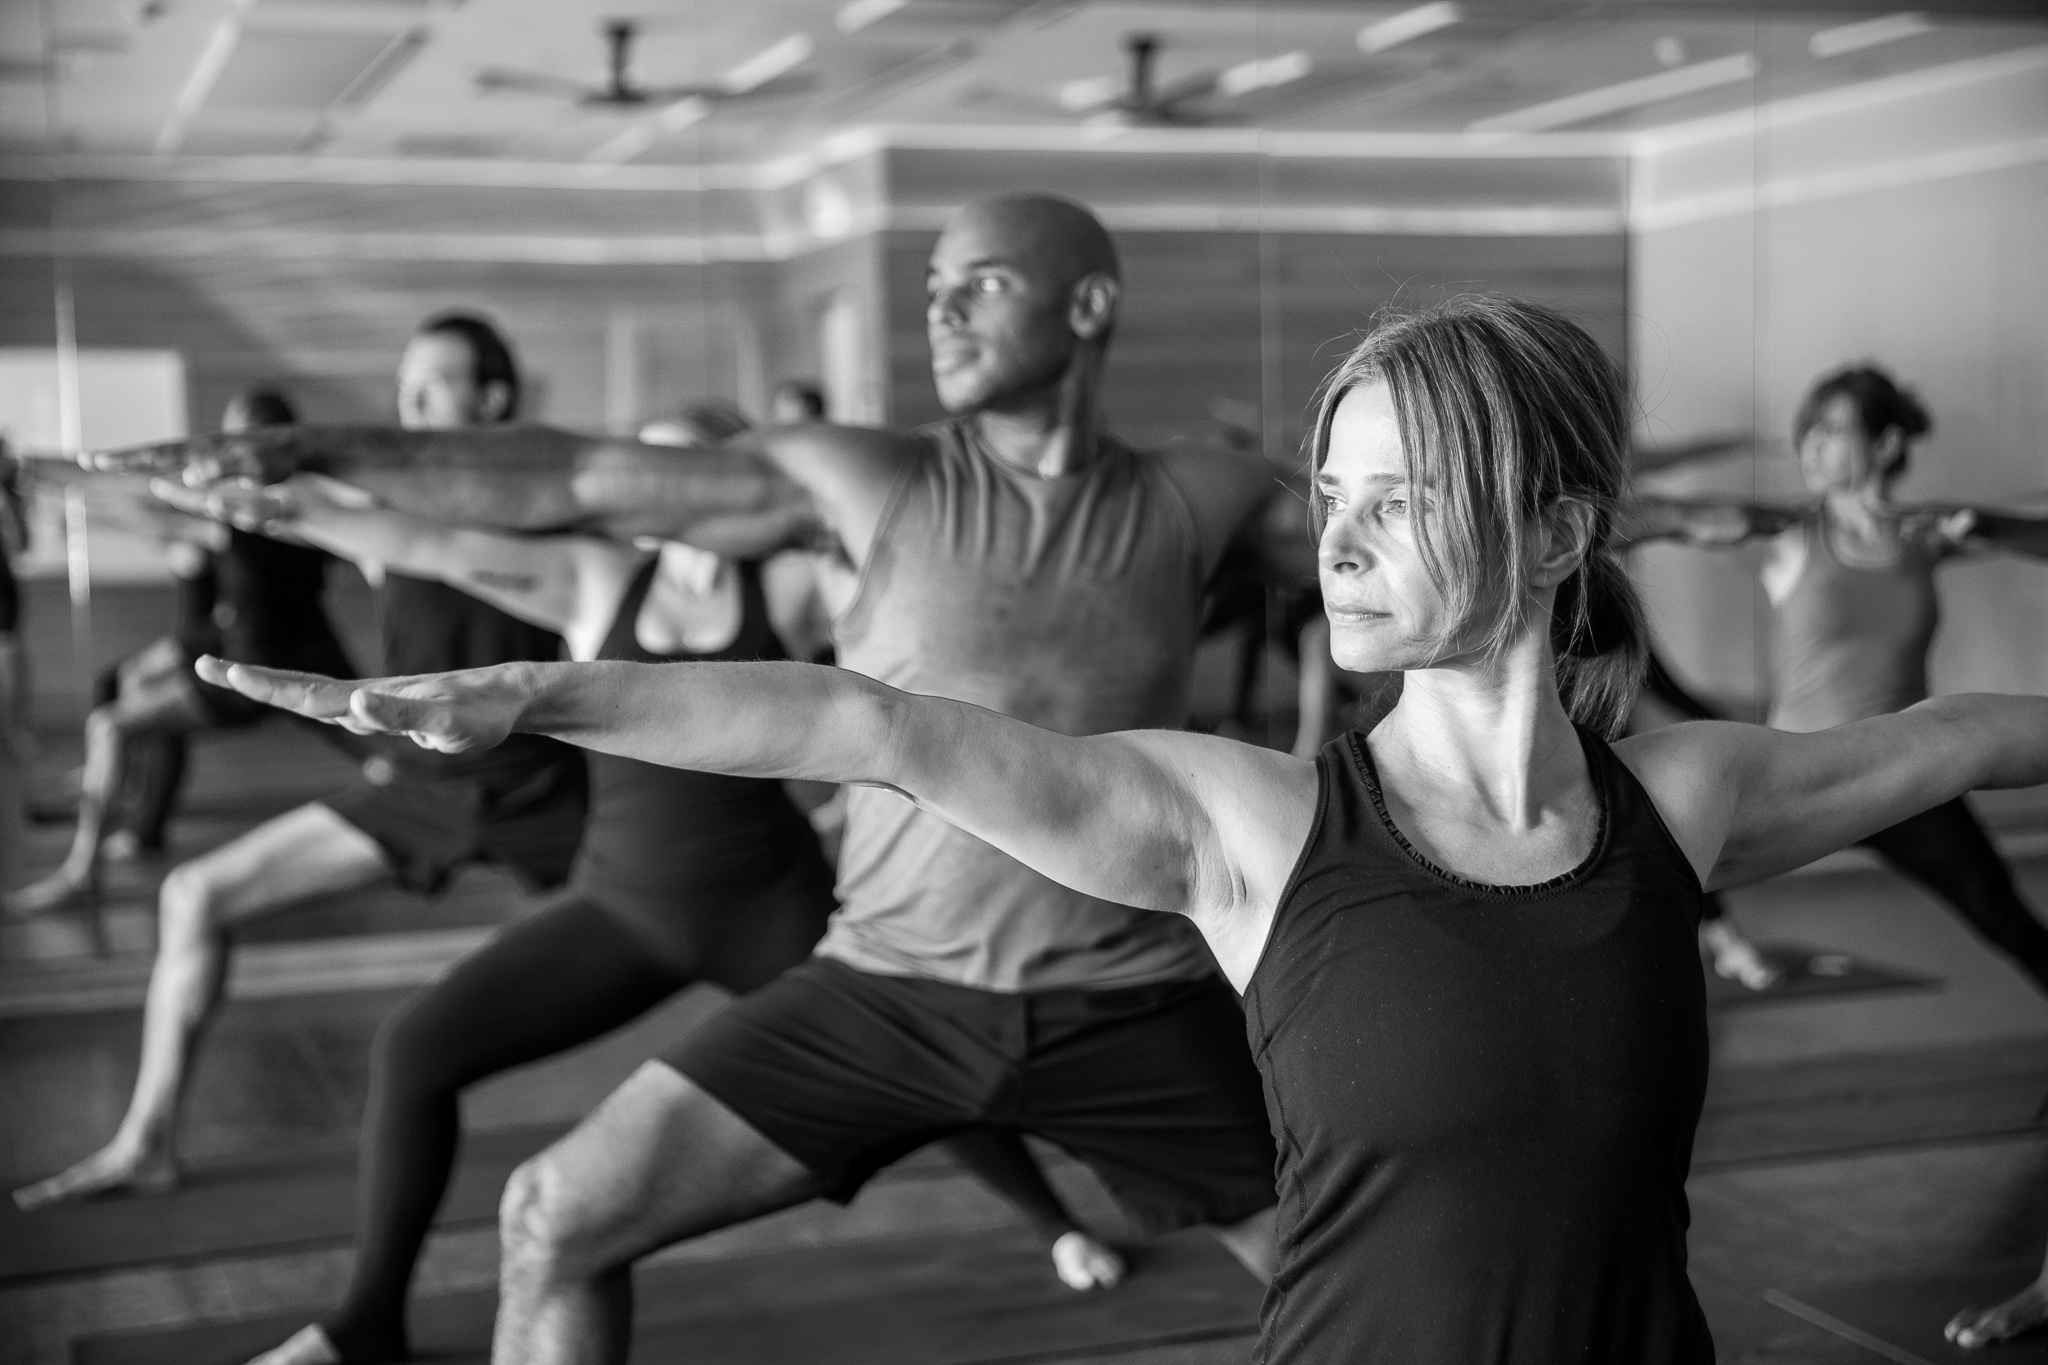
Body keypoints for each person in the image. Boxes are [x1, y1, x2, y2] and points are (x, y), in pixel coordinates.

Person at [206, 293, 2048, 1363]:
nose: (1337, 535)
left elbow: (1949, 735)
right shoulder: (1242, 823)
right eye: (1330, 491)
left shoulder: (1682, 801)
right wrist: (531, 697)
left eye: (1401, 498)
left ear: (1554, 538)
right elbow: (870, 722)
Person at [130, 194, 1294, 1363]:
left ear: (1087, 304)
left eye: (979, 284)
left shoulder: (1197, 497)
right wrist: (322, 451)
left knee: (1346, 1265)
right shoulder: (860, 477)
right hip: (886, 985)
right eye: (931, 288)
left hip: (1132, 1001)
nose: (940, 311)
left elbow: (1421, 561)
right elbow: (578, 479)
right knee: (555, 1215)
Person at [155, 403, 1119, 1365]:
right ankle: (366, 1319)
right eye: (637, 473)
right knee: (412, 1049)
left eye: (674, 474)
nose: (651, 497)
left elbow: (910, 629)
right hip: (624, 905)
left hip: (769, 906)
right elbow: (431, 539)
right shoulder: (597, 578)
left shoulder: (782, 586)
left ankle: (1049, 1217)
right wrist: (272, 505)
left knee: (924, 1044)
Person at [12, 314, 591, 1211]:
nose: (410, 402)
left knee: (699, 912)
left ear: (493, 397)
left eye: (433, 384)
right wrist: (46, 470)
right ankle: (149, 1140)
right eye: (404, 387)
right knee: (194, 895)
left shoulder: (559, 510)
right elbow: (201, 506)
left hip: (555, 793)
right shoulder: (379, 525)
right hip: (423, 785)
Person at [1632, 363, 2048, 1000]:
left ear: (1883, 446)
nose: (1810, 446)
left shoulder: (1923, 538)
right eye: (1807, 432)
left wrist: (1988, 524)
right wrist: (1703, 517)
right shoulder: (1784, 537)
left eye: (1831, 430)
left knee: (2011, 922)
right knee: (1651, 889)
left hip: (1906, 768)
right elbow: (1622, 520)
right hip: (1800, 773)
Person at [6, 389, 357, 914]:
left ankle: (83, 873)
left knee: (112, 724)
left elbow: (146, 507)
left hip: (252, 668)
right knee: (134, 697)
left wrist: (51, 477)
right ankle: (139, 823)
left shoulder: (241, 511)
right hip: (306, 657)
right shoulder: (303, 504)